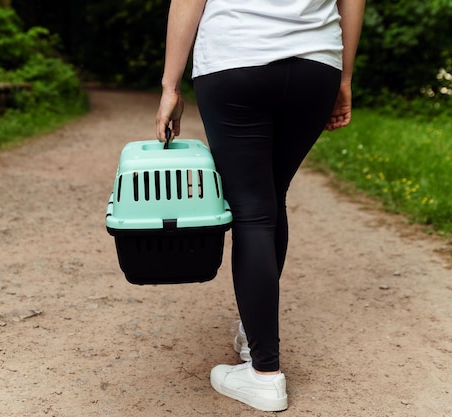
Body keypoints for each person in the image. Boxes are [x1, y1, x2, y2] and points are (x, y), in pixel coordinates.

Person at [156, 0, 365, 412]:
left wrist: (170, 87)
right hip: (315, 68)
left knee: (253, 210)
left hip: (236, 59)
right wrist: (344, 77)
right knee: (271, 199)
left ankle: (264, 374)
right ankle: (254, 337)